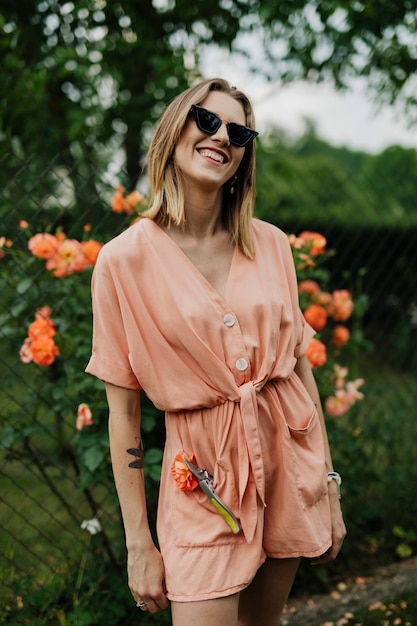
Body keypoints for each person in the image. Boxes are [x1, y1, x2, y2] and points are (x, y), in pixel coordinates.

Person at [85, 77, 346, 626]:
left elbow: (299, 368)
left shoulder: (271, 244)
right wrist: (139, 542)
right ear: (173, 132)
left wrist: (327, 485)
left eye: (239, 130)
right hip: (203, 480)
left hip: (287, 464)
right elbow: (123, 412)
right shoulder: (122, 262)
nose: (222, 136)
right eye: (206, 120)